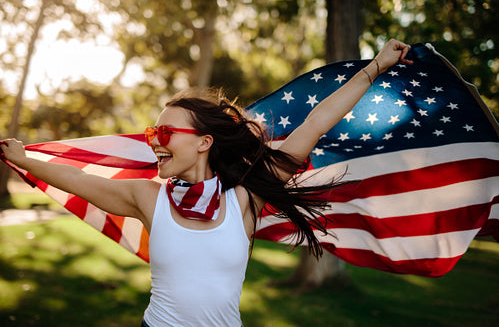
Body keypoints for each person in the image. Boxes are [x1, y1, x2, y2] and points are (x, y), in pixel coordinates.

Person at [1, 39, 412, 327]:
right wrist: (24, 160)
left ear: (203, 142)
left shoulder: (245, 200)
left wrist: (375, 67)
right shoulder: (147, 197)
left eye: (165, 134)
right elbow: (74, 177)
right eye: (151, 135)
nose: (155, 144)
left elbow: (316, 122)